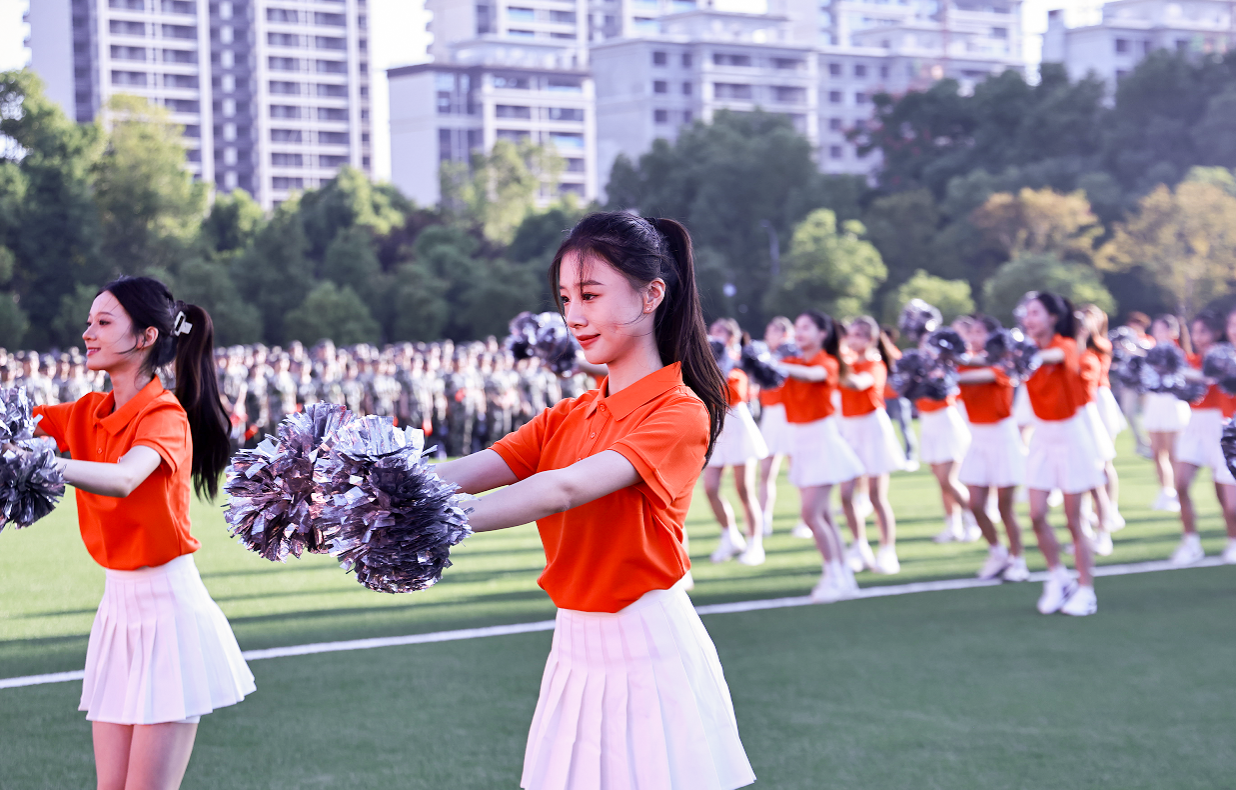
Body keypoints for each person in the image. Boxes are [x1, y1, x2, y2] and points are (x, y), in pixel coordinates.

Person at [434, 213, 755, 790]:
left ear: (652, 295)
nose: (573, 316)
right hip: (573, 647)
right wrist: (358, 489)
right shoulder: (571, 413)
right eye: (565, 299)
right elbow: (462, 473)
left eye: (589, 294)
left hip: (648, 648)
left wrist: (425, 522)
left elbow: (562, 489)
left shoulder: (680, 411)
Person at [27, 277, 254, 790]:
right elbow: (15, 423)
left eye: (104, 323)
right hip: (117, 613)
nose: (88, 333)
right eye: (89, 322)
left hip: (169, 615)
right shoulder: (87, 412)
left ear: (146, 337)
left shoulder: (165, 415)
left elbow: (125, 478)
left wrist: (38, 465)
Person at [1021, 292, 1107, 616]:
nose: (1029, 319)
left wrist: (1017, 357)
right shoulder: (1027, 350)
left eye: (1035, 313)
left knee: (1074, 520)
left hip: (1071, 436)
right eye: (1027, 313)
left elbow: (1051, 358)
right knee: (1036, 514)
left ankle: (1086, 590)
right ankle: (1058, 578)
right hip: (1043, 438)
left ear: (1053, 317)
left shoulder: (1065, 346)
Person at [779, 310, 864, 602]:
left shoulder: (826, 362)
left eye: (806, 327)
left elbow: (812, 375)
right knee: (823, 515)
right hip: (800, 440)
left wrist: (775, 364)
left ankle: (834, 575)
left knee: (811, 514)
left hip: (821, 440)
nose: (799, 332)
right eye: (797, 327)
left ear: (822, 334)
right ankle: (842, 576)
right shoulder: (791, 362)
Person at [956, 315, 1029, 581]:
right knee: (975, 504)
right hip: (978, 437)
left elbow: (978, 374)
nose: (973, 337)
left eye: (979, 332)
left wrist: (946, 369)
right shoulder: (963, 363)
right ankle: (997, 553)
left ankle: (1018, 561)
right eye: (971, 332)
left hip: (1002, 436)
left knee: (1004, 507)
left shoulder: (1004, 363)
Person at [838, 316, 905, 574]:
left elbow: (858, 384)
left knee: (876, 496)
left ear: (870, 339)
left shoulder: (874, 363)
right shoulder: (846, 361)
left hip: (872, 428)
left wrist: (835, 364)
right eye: (850, 335)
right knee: (846, 495)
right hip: (849, 428)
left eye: (858, 335)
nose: (851, 340)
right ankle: (860, 547)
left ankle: (888, 550)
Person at [1171, 309, 1236, 566]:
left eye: (1203, 332)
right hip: (1195, 425)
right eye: (1194, 332)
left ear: (1216, 333)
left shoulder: (1224, 357)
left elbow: (1212, 376)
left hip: (1222, 426)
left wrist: (1176, 371)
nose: (1198, 337)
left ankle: (1233, 540)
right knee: (1180, 483)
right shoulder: (1193, 359)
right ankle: (1191, 542)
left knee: (1227, 500)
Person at [705, 319, 770, 566]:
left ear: (731, 337)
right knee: (710, 488)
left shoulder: (739, 360)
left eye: (720, 332)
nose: (714, 336)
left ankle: (755, 543)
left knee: (744, 489)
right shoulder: (706, 360)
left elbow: (735, 393)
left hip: (737, 424)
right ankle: (730, 535)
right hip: (716, 425)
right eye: (712, 331)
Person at [1144, 314, 1192, 511]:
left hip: (1173, 404)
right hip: (1154, 404)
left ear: (1173, 332)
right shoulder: (1150, 353)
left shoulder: (1178, 353)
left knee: (1174, 453)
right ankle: (1165, 491)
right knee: (1157, 452)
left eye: (1162, 329)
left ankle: (1178, 493)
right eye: (1156, 329)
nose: (1158, 333)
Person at [756, 316, 795, 536]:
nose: (767, 335)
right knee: (766, 471)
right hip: (771, 414)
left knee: (798, 469)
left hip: (789, 414)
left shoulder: (792, 355)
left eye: (772, 331)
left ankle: (806, 519)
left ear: (784, 334)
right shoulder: (763, 355)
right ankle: (764, 518)